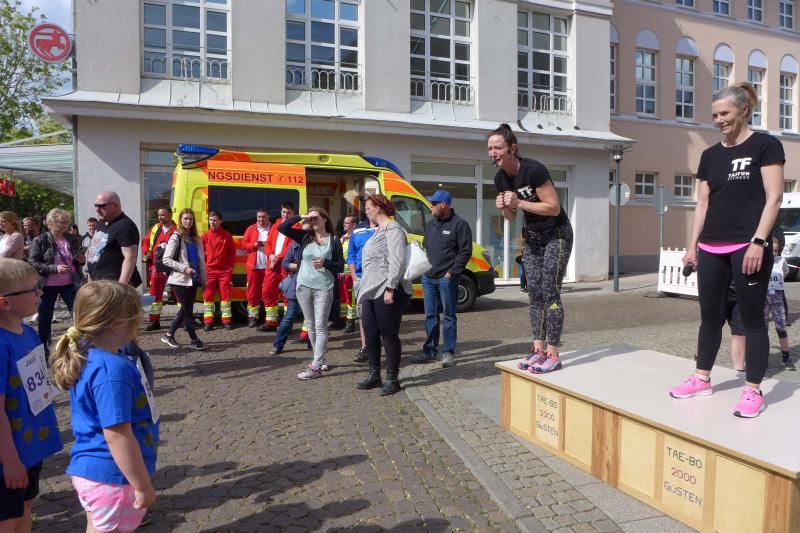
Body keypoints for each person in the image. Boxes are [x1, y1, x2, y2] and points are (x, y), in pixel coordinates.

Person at [669, 83, 784, 418]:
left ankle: (752, 390)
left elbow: (774, 197)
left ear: (743, 110)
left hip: (748, 245)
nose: (718, 120)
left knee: (752, 319)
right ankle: (701, 377)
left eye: (724, 113)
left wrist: (759, 242)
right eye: (714, 115)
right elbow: (702, 204)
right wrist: (692, 247)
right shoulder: (710, 156)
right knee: (709, 317)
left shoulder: (765, 145)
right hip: (711, 246)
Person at [50, 281, 158, 533]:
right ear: (117, 324)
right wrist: (142, 485)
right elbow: (117, 435)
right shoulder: (112, 369)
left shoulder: (89, 355)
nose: (141, 319)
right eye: (137, 314)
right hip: (113, 476)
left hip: (96, 471)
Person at [489, 123, 573, 374]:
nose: (493, 153)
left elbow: (553, 207)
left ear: (512, 148)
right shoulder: (500, 178)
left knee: (550, 290)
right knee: (534, 292)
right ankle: (538, 349)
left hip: (557, 234)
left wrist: (519, 202)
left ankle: (553, 353)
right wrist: (505, 207)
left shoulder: (533, 170)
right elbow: (511, 217)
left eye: (498, 147)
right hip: (533, 238)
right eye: (490, 148)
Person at [0, 259, 63, 533]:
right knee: (8, 519)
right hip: (9, 455)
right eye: (32, 289)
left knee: (26, 507)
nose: (40, 292)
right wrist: (9, 461)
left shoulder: (27, 331)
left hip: (30, 446)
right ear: (5, 302)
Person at [278, 207, 344, 380]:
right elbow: (282, 227)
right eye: (311, 218)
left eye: (315, 218)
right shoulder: (305, 236)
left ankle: (315, 366)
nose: (312, 221)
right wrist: (303, 216)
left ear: (324, 219)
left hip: (324, 288)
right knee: (311, 325)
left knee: (321, 326)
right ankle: (319, 360)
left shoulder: (334, 240)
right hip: (303, 286)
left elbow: (340, 266)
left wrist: (325, 262)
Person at [356, 195, 413, 396]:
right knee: (370, 333)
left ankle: (392, 378)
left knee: (388, 334)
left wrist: (391, 287)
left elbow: (397, 260)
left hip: (386, 289)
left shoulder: (393, 229)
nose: (366, 212)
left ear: (378, 208)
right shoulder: (378, 231)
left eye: (368, 208)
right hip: (370, 290)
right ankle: (374, 374)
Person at [411, 189, 472, 368]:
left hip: (447, 278)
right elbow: (426, 247)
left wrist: (451, 272)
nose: (431, 207)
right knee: (430, 315)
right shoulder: (431, 225)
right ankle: (430, 351)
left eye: (433, 204)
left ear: (443, 205)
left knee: (449, 316)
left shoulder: (460, 225)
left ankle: (448, 353)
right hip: (429, 277)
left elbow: (465, 251)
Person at [27, 209, 85, 355]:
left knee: (79, 315)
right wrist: (54, 268)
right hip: (47, 285)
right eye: (61, 222)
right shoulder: (40, 240)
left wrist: (80, 260)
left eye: (66, 222)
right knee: (45, 318)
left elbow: (76, 258)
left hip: (70, 284)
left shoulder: (72, 238)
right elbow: (32, 261)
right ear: (51, 222)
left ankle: (81, 346)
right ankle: (44, 350)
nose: (65, 225)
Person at [160, 209, 207, 351]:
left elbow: (200, 261)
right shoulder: (176, 236)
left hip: (193, 279)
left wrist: (203, 279)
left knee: (186, 308)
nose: (188, 221)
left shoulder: (196, 238)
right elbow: (166, 259)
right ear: (180, 220)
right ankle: (194, 339)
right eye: (185, 218)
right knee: (188, 310)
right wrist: (184, 268)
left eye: (190, 219)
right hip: (180, 280)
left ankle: (168, 335)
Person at [85, 191, 142, 287]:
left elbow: (130, 258)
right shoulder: (100, 223)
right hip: (98, 283)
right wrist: (90, 280)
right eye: (96, 206)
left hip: (114, 285)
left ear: (116, 205)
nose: (97, 210)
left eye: (102, 206)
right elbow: (94, 249)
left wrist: (121, 287)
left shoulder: (125, 226)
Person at [260, 202, 296, 332]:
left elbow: (290, 247)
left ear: (293, 213)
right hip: (272, 265)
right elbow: (268, 243)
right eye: (283, 212)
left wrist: (277, 258)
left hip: (286, 266)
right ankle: (271, 322)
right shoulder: (276, 226)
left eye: (288, 212)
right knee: (267, 291)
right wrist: (270, 255)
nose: (285, 215)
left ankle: (287, 324)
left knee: (287, 295)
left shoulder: (296, 227)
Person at [347, 217, 377, 363]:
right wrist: (354, 275)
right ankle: (365, 347)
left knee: (380, 314)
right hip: (360, 278)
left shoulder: (387, 227)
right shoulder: (357, 231)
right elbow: (351, 255)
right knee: (363, 315)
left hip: (379, 278)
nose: (368, 210)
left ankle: (377, 344)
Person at [143, 209, 177, 331]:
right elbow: (146, 241)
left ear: (170, 215)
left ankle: (184, 319)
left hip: (173, 266)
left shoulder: (176, 230)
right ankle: (154, 320)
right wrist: (147, 252)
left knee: (178, 293)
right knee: (155, 294)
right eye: (158, 215)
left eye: (163, 215)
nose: (160, 217)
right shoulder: (156, 228)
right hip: (157, 266)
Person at [765, 236, 795, 371]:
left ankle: (786, 357)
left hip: (777, 298)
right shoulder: (761, 261)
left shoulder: (781, 261)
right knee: (763, 328)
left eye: (776, 250)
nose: (774, 253)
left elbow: (786, 272)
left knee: (781, 327)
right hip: (763, 299)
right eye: (771, 250)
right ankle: (763, 357)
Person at [202, 211, 235, 331]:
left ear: (220, 221)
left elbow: (231, 252)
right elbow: (201, 253)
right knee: (208, 296)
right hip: (209, 269)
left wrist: (230, 267)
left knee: (226, 297)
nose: (212, 222)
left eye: (215, 220)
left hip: (224, 270)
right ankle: (208, 322)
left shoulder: (227, 235)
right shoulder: (205, 236)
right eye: (211, 220)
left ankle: (226, 321)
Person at [241, 209, 272, 328]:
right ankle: (253, 317)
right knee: (253, 293)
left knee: (269, 292)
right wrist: (254, 245)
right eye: (259, 217)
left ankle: (270, 319)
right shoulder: (251, 229)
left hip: (269, 267)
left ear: (268, 217)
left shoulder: (273, 229)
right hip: (254, 267)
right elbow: (244, 245)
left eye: (263, 217)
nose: (261, 219)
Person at [271, 241, 301, 355]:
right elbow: (285, 263)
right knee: (289, 316)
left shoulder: (318, 244)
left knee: (313, 318)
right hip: (297, 283)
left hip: (314, 284)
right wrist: (299, 266)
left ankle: (312, 344)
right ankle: (278, 344)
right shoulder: (294, 246)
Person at [339, 215, 358, 333]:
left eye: (347, 223)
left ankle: (351, 322)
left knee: (351, 298)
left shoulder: (356, 238)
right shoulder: (343, 238)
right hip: (342, 272)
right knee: (343, 297)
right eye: (344, 222)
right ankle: (342, 320)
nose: (344, 224)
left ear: (353, 225)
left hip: (351, 273)